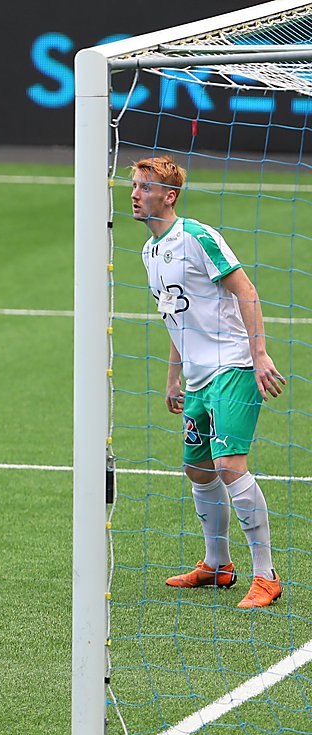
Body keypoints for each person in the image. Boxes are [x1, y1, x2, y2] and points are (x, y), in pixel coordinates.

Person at [133, 155, 287, 608]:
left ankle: (266, 575)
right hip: (198, 380)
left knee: (229, 466)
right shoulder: (149, 252)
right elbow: (178, 318)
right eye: (136, 187)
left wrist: (259, 355)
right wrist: (172, 378)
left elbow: (246, 291)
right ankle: (217, 565)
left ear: (169, 195)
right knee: (197, 469)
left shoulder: (197, 237)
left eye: (144, 187)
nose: (135, 194)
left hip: (233, 367)